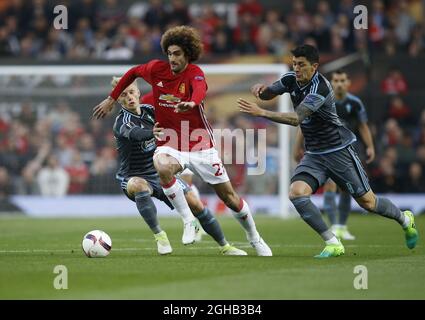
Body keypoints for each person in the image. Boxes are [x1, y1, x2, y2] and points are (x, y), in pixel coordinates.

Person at [93, 25, 271, 256]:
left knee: (229, 198)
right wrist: (111, 98)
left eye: (177, 53)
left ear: (188, 53)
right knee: (162, 164)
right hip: (171, 143)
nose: (172, 58)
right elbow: (134, 71)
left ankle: (254, 238)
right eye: (169, 53)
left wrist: (193, 103)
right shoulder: (157, 70)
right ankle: (188, 221)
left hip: (199, 144)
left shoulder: (195, 73)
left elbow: (199, 89)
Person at [238, 44, 418, 258]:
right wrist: (260, 90)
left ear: (314, 66)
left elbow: (297, 119)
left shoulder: (320, 88)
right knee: (296, 193)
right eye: (294, 64)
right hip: (314, 154)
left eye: (301, 65)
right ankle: (333, 242)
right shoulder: (290, 79)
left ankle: (404, 219)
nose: (296, 68)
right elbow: (269, 94)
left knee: (368, 202)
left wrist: (261, 112)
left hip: (338, 151)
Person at [111, 76, 246, 256]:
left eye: (131, 92)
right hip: (134, 175)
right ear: (118, 99)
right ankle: (160, 237)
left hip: (160, 172)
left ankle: (225, 246)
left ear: (138, 92)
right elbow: (135, 133)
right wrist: (151, 133)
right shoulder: (121, 122)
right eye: (123, 94)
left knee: (196, 204)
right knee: (138, 186)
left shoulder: (150, 111)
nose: (129, 97)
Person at [293, 70, 375, 240]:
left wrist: (370, 146)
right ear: (331, 82)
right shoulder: (320, 98)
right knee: (330, 186)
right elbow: (304, 123)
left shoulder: (355, 103)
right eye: (335, 80)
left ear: (348, 83)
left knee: (346, 189)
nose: (338, 83)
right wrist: (297, 146)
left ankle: (342, 226)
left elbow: (363, 126)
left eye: (342, 80)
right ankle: (335, 225)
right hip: (325, 150)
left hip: (347, 149)